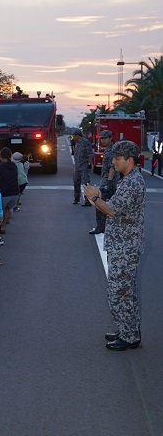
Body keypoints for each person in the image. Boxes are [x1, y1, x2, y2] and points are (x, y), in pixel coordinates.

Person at [83, 140, 146, 351]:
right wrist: (98, 198)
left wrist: (93, 198)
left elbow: (112, 211)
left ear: (130, 160)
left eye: (118, 158)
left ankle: (128, 336)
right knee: (126, 290)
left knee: (120, 291)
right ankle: (128, 330)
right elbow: (113, 206)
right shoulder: (128, 179)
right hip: (122, 243)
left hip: (125, 246)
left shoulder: (132, 183)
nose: (114, 162)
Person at [89, 130, 116, 235]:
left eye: (105, 138)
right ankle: (105, 227)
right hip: (108, 181)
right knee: (108, 205)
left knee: (100, 204)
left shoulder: (111, 151)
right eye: (101, 138)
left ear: (110, 138)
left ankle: (101, 227)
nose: (103, 140)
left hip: (108, 182)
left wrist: (108, 183)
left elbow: (112, 168)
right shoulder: (109, 150)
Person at [0, 147, 20, 231]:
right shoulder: (14, 166)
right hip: (15, 192)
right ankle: (3, 226)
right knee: (8, 209)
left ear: (0, 156)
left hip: (4, 193)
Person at [71, 129, 93, 205]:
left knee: (86, 184)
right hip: (77, 167)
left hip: (84, 167)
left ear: (78, 135)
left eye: (74, 135)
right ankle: (76, 198)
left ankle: (88, 200)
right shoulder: (77, 144)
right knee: (76, 183)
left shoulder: (85, 142)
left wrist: (89, 164)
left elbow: (90, 154)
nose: (73, 137)